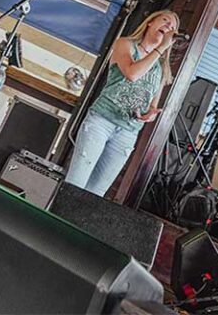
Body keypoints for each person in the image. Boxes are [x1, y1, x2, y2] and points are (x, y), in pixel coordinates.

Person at [65, 10, 180, 196]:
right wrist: (161, 48)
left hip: (127, 133)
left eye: (173, 28)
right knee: (76, 182)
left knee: (96, 193)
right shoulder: (126, 44)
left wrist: (150, 113)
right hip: (101, 121)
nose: (168, 27)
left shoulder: (161, 67)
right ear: (150, 22)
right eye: (165, 21)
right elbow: (132, 73)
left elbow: (153, 102)